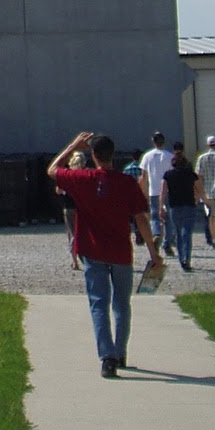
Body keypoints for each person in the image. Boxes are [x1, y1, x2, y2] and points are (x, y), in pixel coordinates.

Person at [48, 131, 162, 378]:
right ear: (113, 154)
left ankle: (107, 357)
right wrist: (153, 253)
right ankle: (120, 352)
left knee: (99, 304)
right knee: (122, 304)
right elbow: (141, 220)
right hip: (121, 252)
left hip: (92, 250)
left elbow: (53, 170)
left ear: (93, 155)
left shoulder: (84, 179)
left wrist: (72, 145)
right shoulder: (127, 183)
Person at [160, 151, 203, 271]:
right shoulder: (191, 175)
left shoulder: (168, 175)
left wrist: (161, 207)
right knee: (187, 233)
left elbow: (163, 193)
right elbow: (199, 190)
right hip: (189, 205)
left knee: (178, 233)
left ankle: (181, 258)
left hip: (174, 207)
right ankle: (187, 259)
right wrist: (202, 200)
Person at [137, 131, 175, 257]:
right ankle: (167, 243)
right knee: (169, 218)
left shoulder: (147, 156)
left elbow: (144, 176)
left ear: (153, 142)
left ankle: (156, 234)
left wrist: (144, 191)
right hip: (168, 191)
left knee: (154, 216)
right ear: (164, 142)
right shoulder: (170, 156)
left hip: (153, 191)